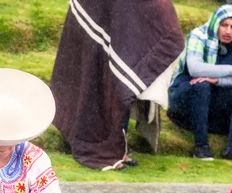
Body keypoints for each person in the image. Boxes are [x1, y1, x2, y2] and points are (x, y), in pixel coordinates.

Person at [50, 0, 184, 171]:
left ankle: (116, 148)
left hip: (123, 17)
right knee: (97, 77)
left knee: (122, 78)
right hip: (101, 11)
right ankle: (100, 145)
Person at [167, 7, 232, 161]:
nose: (228, 31)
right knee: (201, 85)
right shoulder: (198, 36)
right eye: (224, 25)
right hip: (184, 102)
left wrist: (218, 80)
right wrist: (231, 70)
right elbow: (195, 69)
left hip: (213, 105)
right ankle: (201, 147)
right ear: (215, 24)